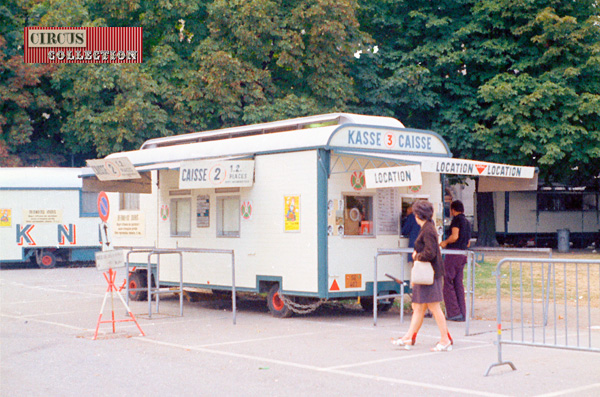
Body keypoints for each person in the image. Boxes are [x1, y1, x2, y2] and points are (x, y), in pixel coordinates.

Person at [392, 201, 452, 352]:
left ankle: (445, 339)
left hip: (429, 274)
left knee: (434, 306)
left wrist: (416, 256)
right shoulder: (428, 227)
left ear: (417, 214)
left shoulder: (428, 230)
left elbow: (430, 253)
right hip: (428, 274)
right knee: (418, 307)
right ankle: (409, 336)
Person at [440, 200, 471, 322]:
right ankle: (463, 312)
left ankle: (453, 312)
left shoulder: (456, 220)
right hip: (463, 254)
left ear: (453, 210)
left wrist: (445, 242)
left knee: (447, 281)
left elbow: (454, 236)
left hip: (453, 253)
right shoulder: (467, 222)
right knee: (458, 283)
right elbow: (468, 242)